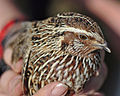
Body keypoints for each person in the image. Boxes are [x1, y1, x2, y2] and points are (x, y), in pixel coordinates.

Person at [1, 0, 119, 96]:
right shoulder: (38, 58)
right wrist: (9, 33)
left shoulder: (94, 57)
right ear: (65, 39)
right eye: (83, 37)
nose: (101, 44)